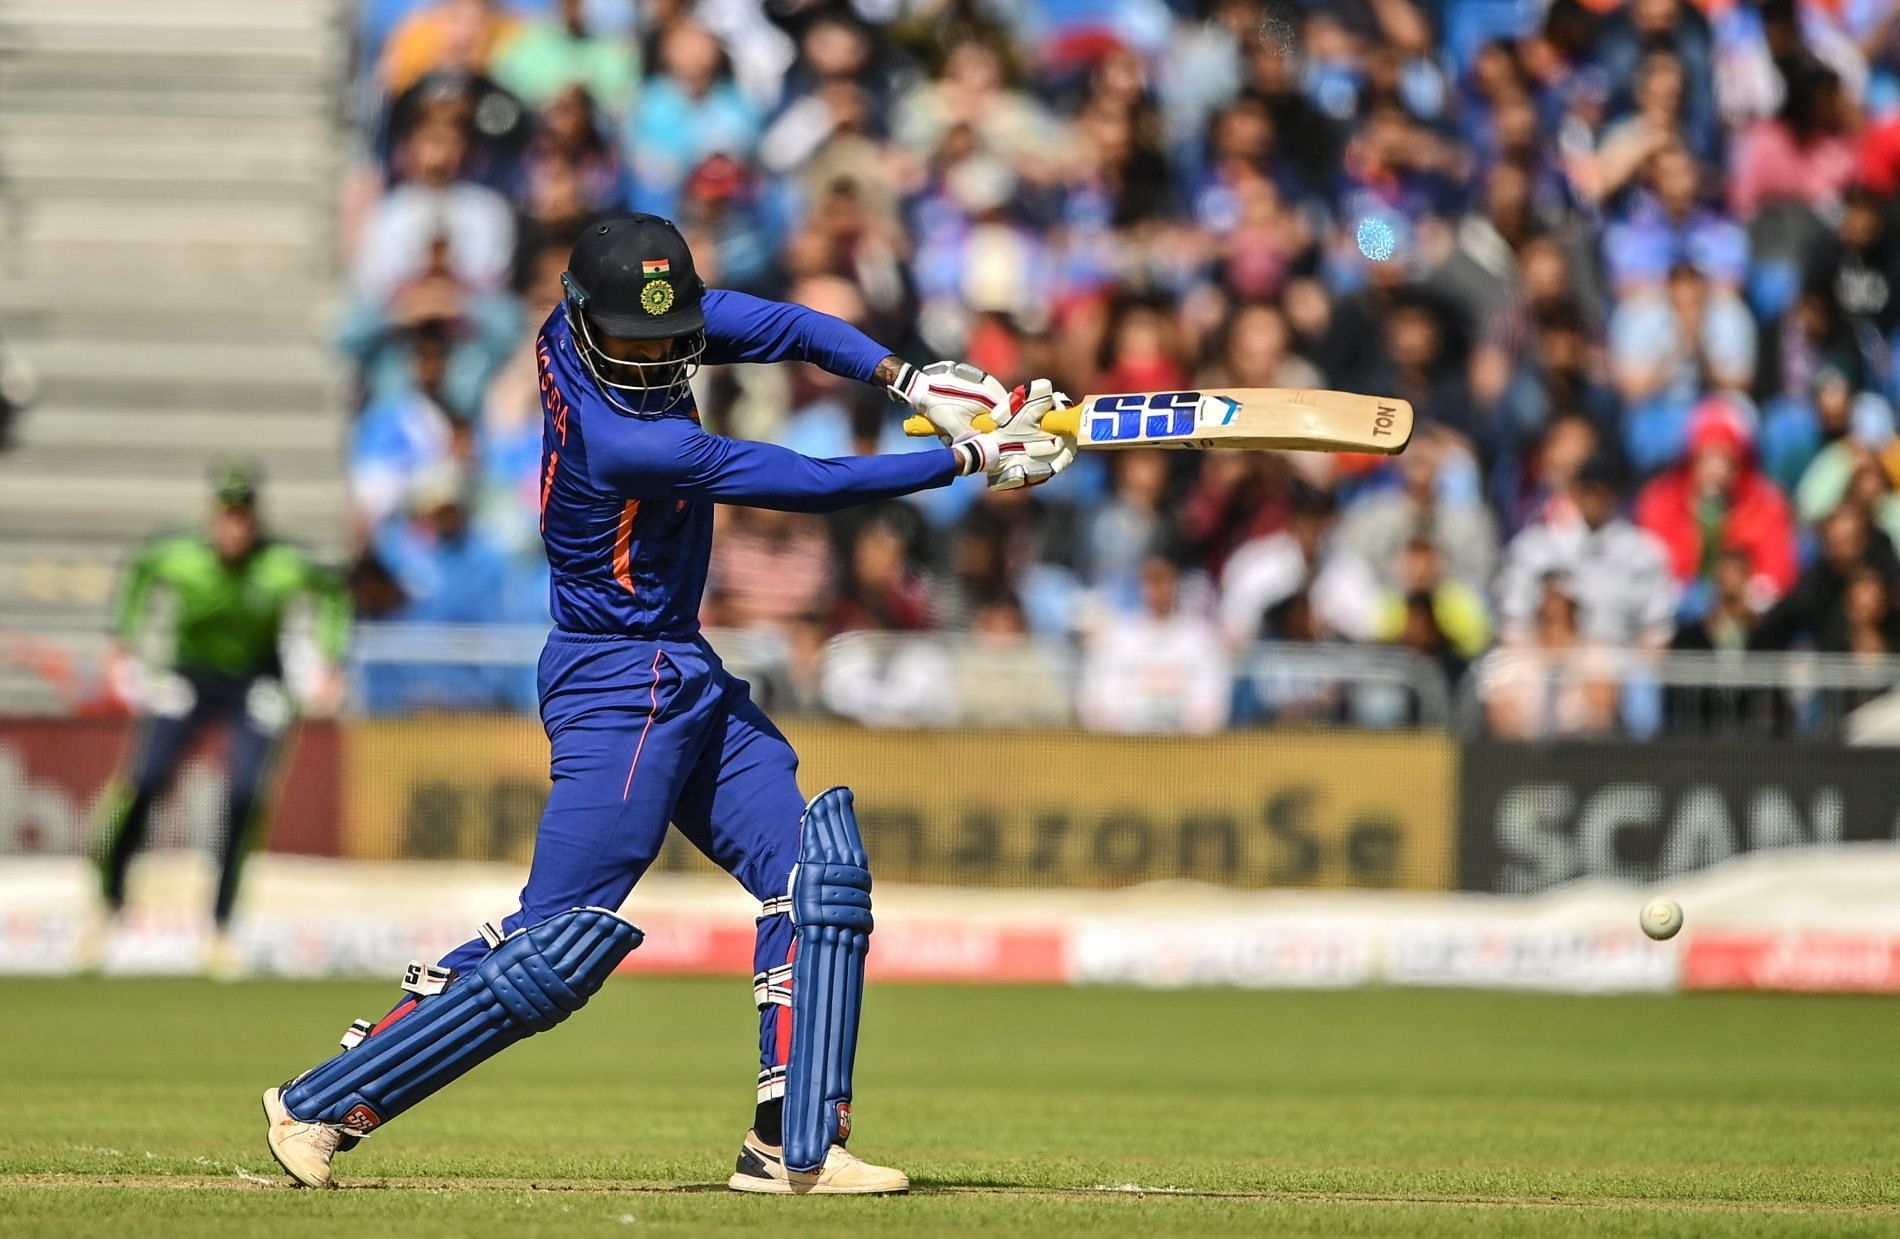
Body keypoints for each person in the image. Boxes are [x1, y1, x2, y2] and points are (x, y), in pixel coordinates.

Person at [261, 213, 1074, 1194]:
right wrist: (967, 462)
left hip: (675, 663)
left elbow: (783, 326)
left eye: (668, 337)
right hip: (617, 682)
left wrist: (907, 378)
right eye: (633, 341)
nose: (654, 358)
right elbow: (802, 482)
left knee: (813, 874)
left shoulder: (607, 327)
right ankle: (326, 1099)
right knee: (558, 944)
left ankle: (793, 1144)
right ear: (580, 318)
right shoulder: (622, 438)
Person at [95, 464, 349, 966]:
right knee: (145, 780)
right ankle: (108, 901)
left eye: (244, 518)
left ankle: (221, 925)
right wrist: (122, 643)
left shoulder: (281, 564)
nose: (236, 529)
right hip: (190, 675)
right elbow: (141, 573)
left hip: (255, 680)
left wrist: (329, 658)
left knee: (245, 793)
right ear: (214, 518)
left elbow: (332, 593)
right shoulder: (179, 557)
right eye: (228, 517)